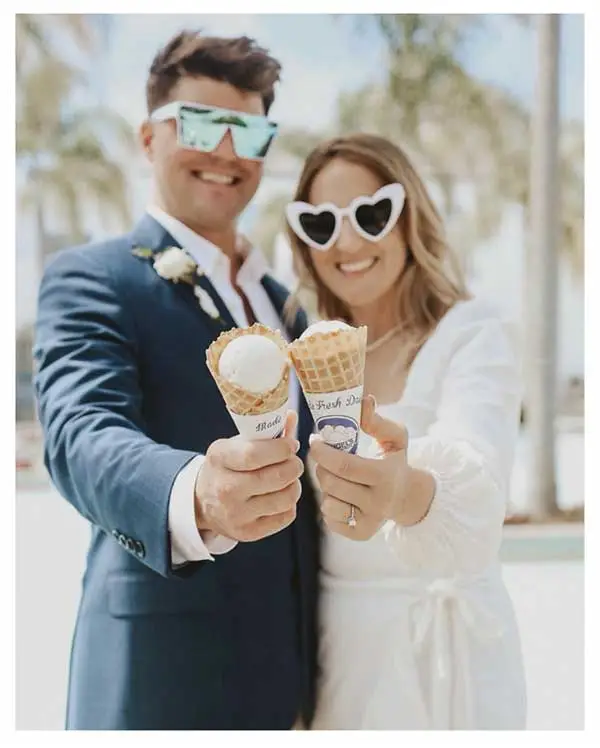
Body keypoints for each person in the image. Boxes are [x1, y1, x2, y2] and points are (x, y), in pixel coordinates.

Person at [33, 31, 320, 730]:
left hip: (291, 685)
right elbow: (80, 434)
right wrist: (201, 494)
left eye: (248, 131)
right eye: (199, 123)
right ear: (148, 138)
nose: (225, 151)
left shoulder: (289, 302)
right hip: (157, 679)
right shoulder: (94, 277)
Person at [285, 133, 527, 729]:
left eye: (370, 215)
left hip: (449, 661)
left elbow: (479, 481)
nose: (346, 242)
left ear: (409, 217)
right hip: (336, 658)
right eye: (320, 224)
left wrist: (403, 493)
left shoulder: (472, 333)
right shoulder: (303, 352)